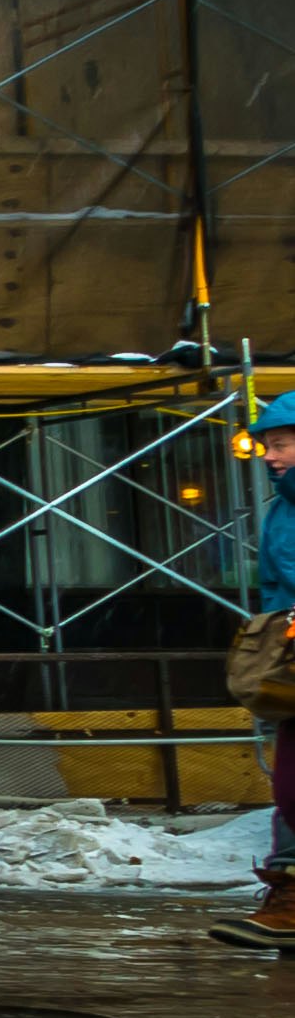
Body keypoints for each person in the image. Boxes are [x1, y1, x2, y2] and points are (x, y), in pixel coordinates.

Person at [218, 396, 295, 948]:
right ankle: (289, 895)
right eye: (267, 445)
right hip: (293, 654)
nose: (269, 455)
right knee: (291, 781)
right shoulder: (281, 508)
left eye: (281, 444)